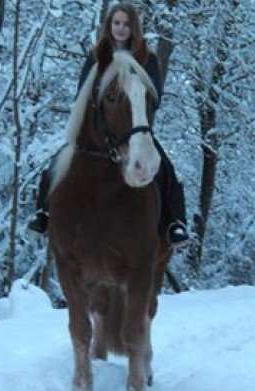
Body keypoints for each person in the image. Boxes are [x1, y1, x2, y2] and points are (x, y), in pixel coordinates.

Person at [28, 2, 189, 248]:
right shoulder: (96, 56)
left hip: (134, 127)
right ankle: (44, 212)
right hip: (100, 129)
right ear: (109, 25)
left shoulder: (148, 58)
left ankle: (175, 223)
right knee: (57, 162)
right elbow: (81, 93)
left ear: (134, 27)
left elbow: (154, 98)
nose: (121, 28)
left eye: (126, 24)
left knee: (165, 168)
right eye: (117, 23)